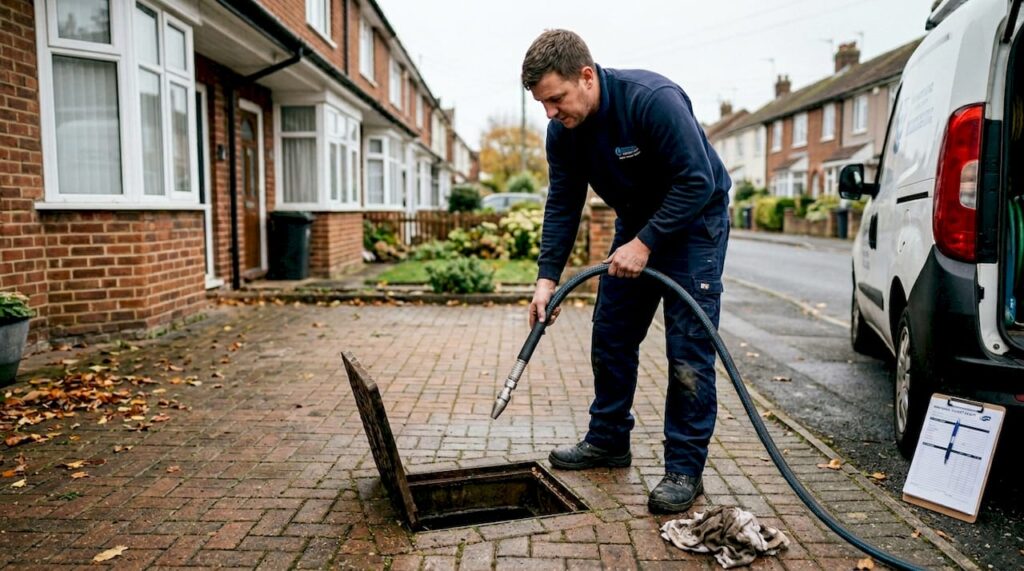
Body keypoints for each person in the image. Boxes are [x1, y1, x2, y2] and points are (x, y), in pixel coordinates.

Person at [522, 29, 731, 514]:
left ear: (587, 77)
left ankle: (684, 469)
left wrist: (645, 244)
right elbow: (563, 204)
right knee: (611, 331)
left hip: (696, 224)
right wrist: (546, 279)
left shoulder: (652, 100)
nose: (551, 113)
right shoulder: (565, 133)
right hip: (637, 224)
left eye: (556, 99)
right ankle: (609, 439)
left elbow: (697, 180)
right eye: (542, 104)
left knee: (688, 351)